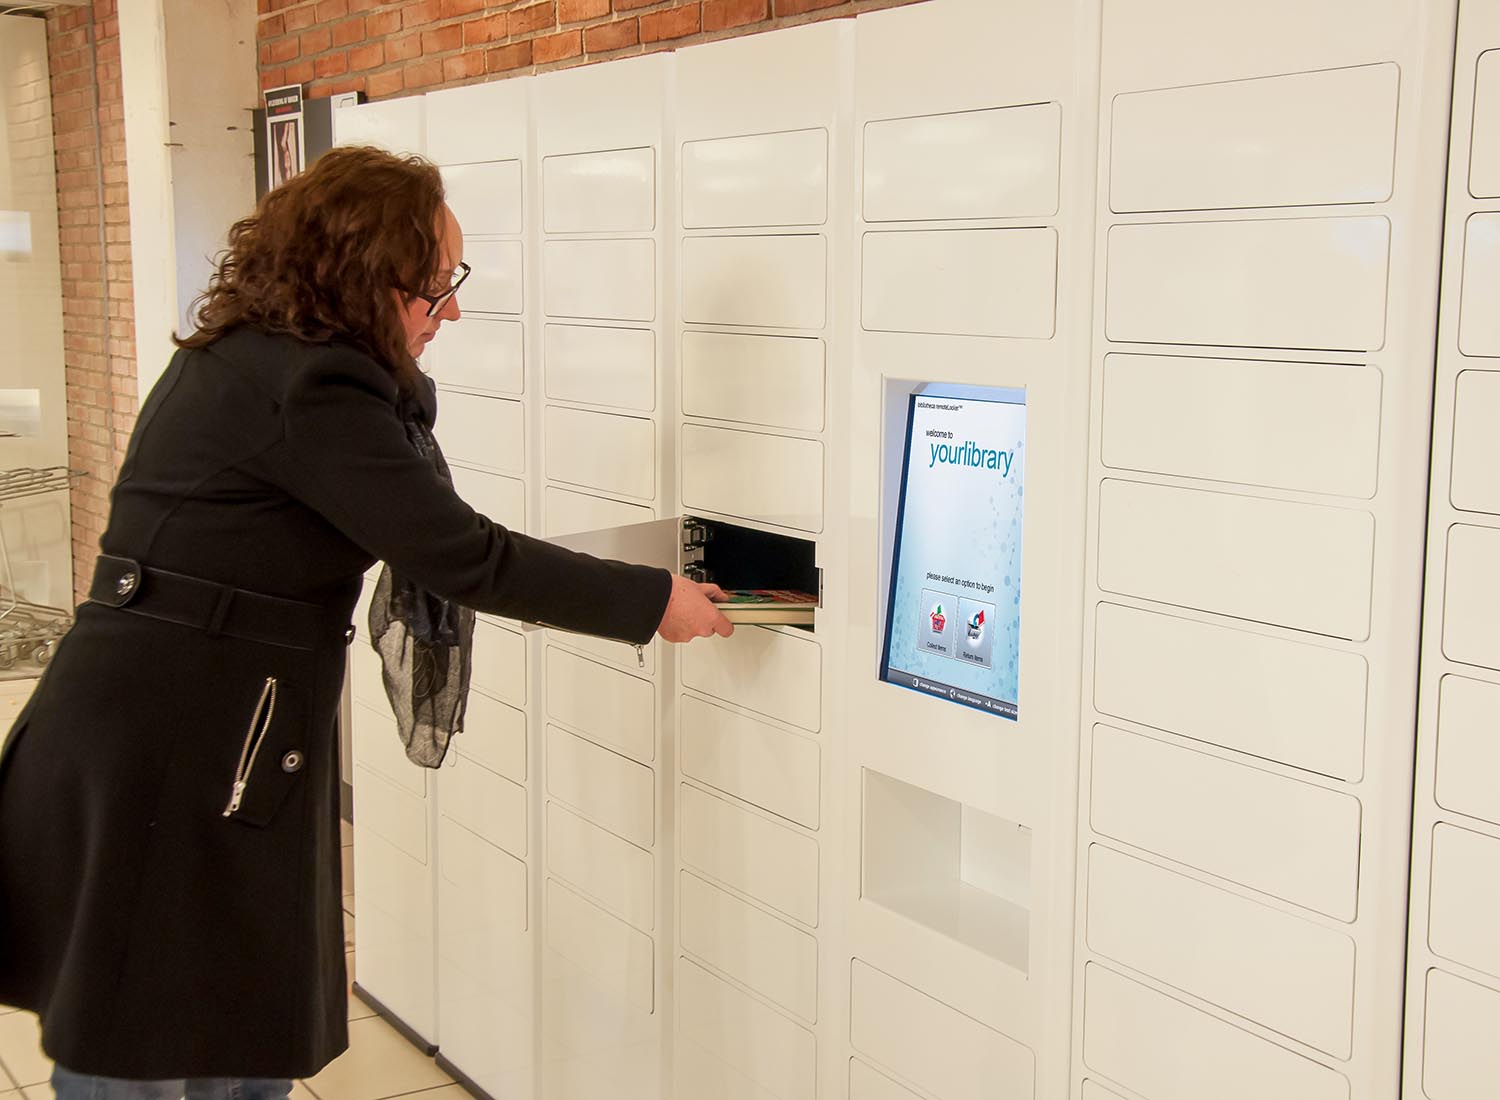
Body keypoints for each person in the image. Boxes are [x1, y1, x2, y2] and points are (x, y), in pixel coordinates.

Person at [0, 145, 732, 1099]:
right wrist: (651, 601)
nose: (453, 311)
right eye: (438, 286)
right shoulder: (309, 386)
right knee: (142, 1038)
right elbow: (461, 554)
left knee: (223, 1021)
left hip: (194, 722)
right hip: (169, 742)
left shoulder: (268, 353)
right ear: (363, 275)